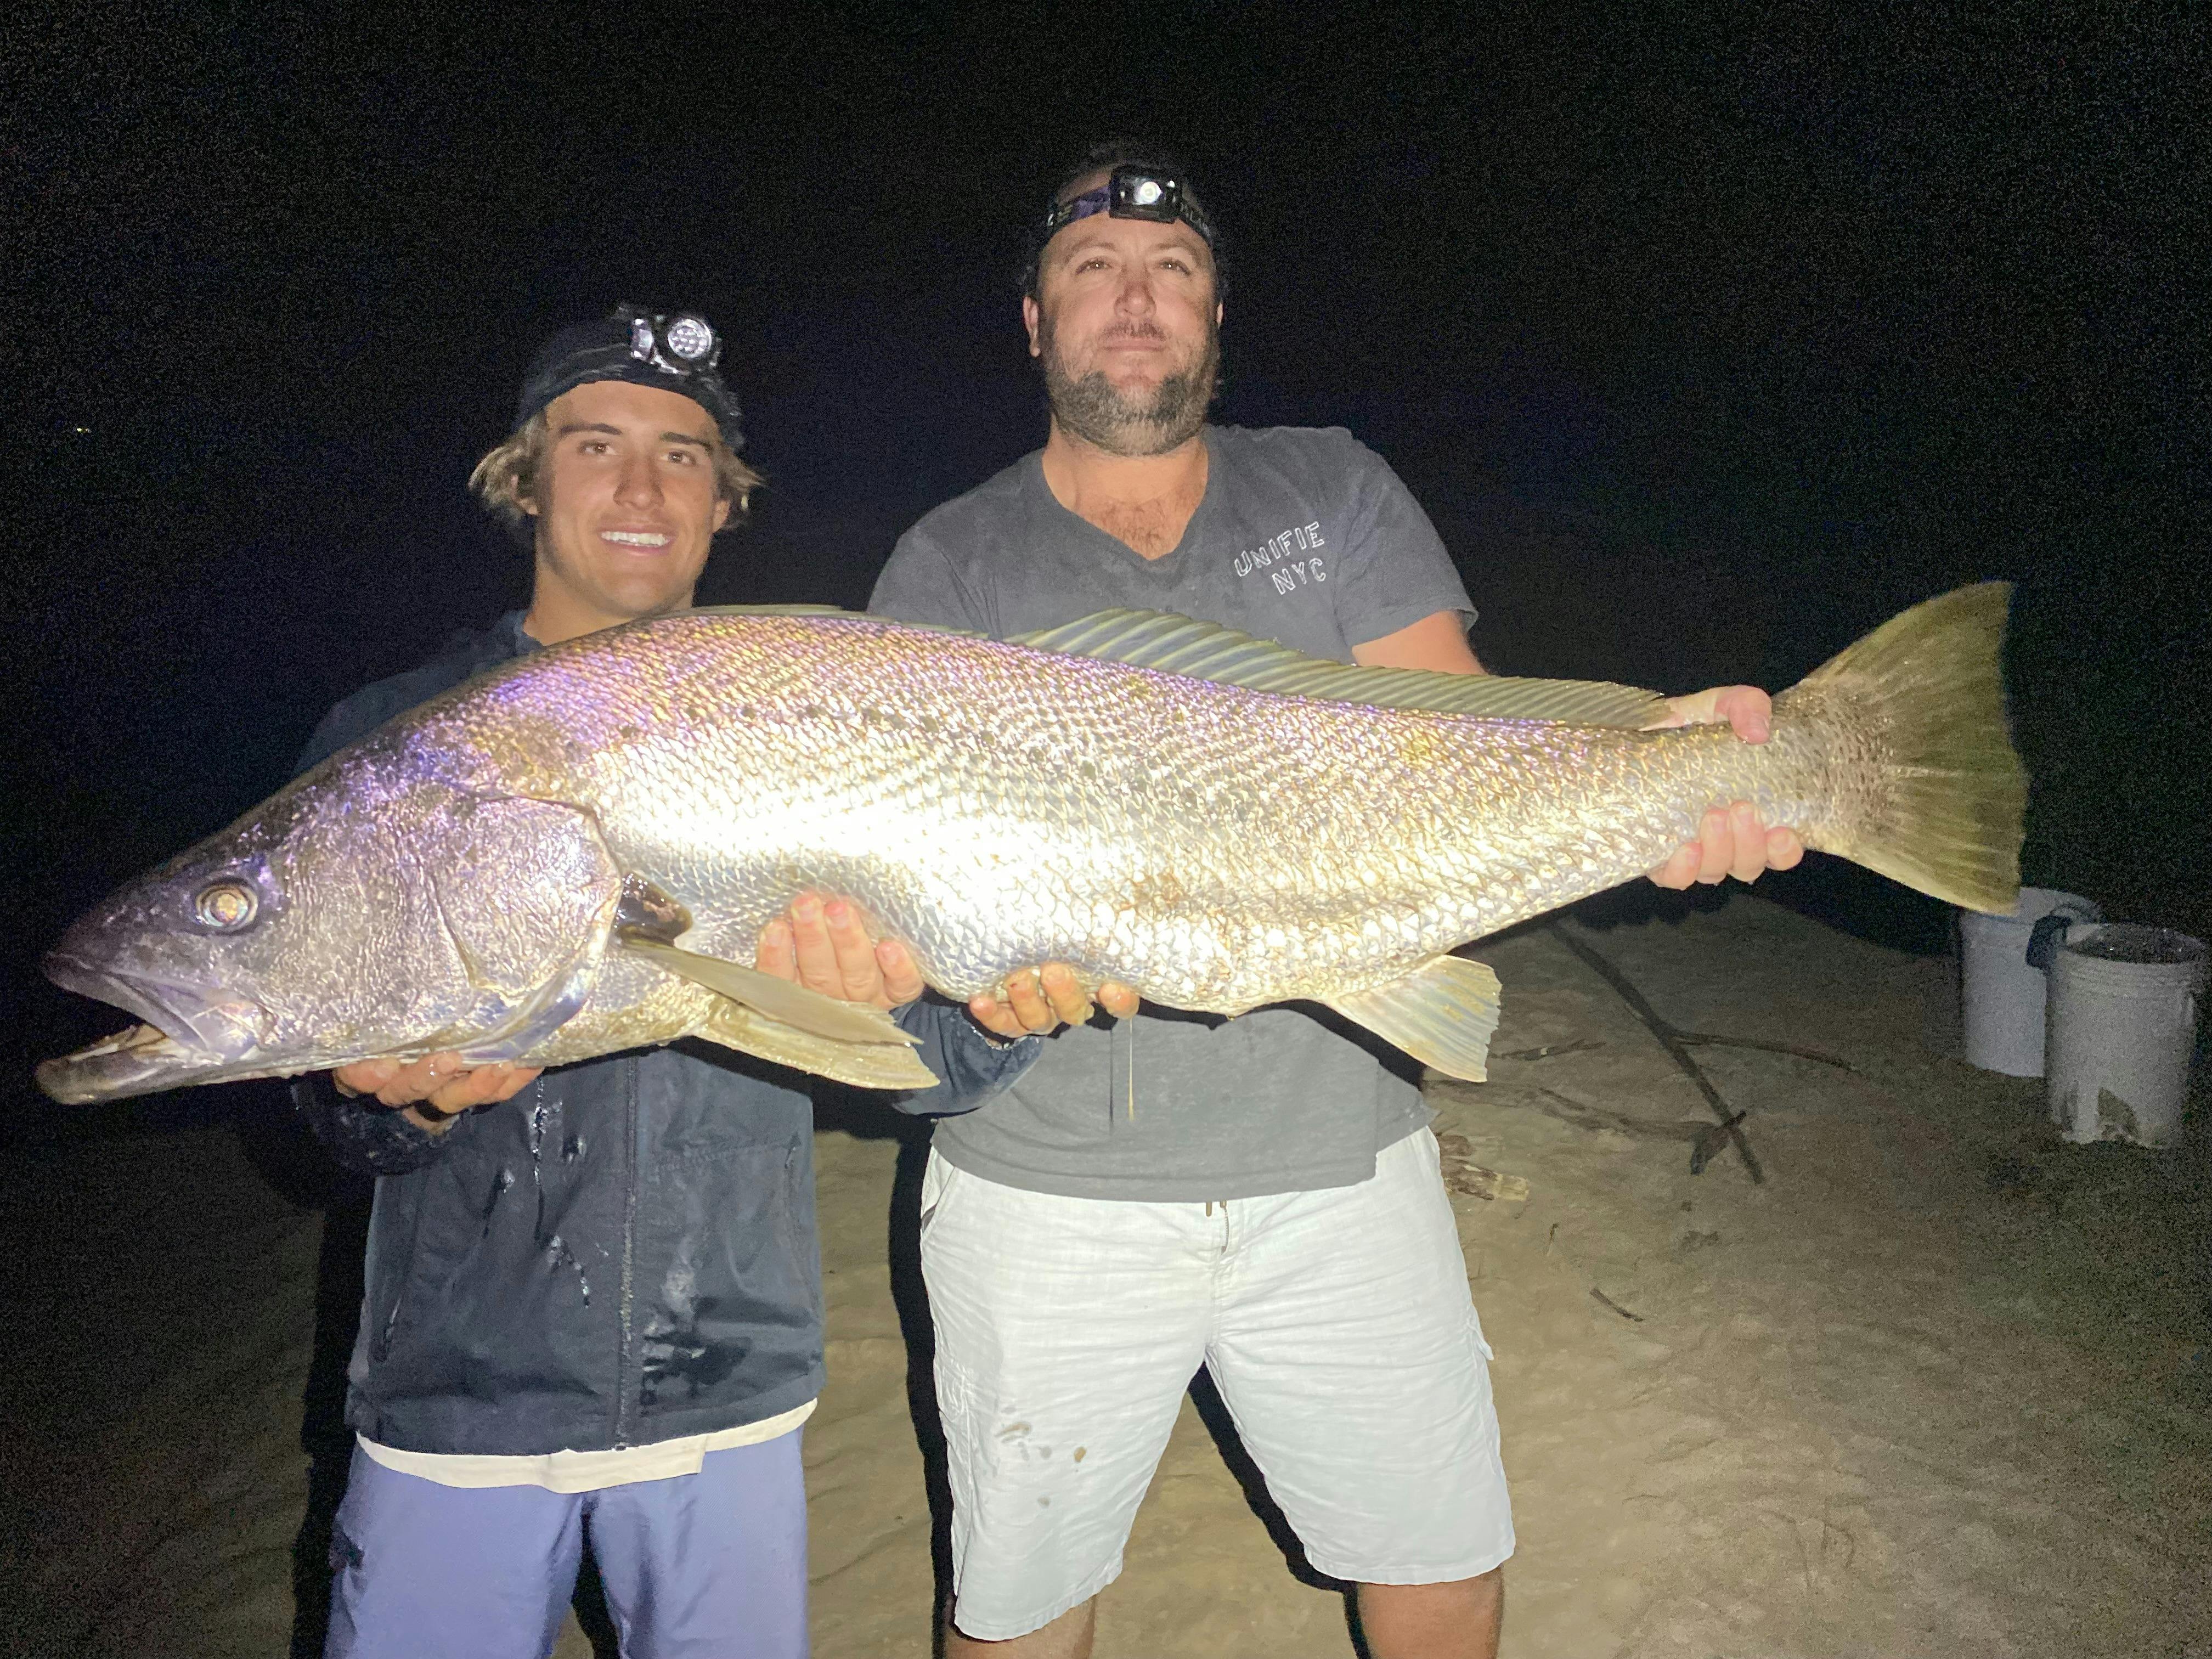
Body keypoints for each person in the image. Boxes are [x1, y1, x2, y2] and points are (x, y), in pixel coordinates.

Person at [868, 146, 1804, 1659]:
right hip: (1049, 1196)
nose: (1134, 299)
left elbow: (1467, 736)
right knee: (1022, 1604)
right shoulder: (951, 565)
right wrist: (969, 980)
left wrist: (1665, 771)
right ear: (1034, 322)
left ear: (1217, 315)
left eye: (1170, 273)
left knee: (1441, 1560)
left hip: (1343, 1160)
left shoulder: (1331, 483)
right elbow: (904, 923)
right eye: (1093, 269)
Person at [292, 305, 1071, 1659]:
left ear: (725, 504)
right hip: (457, 1402)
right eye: (597, 445)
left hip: (731, 1384)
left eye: (686, 456)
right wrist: (393, 1105)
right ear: (527, 475)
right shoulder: (393, 745)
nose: (642, 490)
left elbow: (934, 1071)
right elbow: (319, 1110)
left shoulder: (823, 716)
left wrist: (996, 1019)